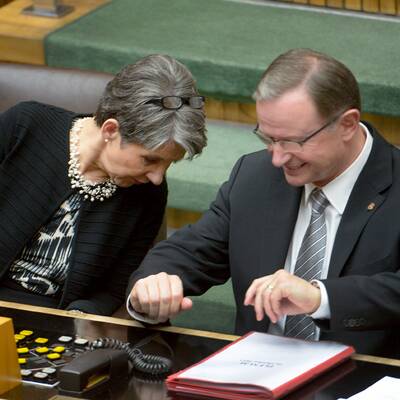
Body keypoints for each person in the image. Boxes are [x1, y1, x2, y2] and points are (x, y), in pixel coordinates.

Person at [127, 48, 400, 357]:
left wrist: (319, 297)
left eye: (293, 142)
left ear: (348, 124)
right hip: (258, 374)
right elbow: (194, 249)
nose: (278, 156)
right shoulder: (255, 175)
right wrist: (152, 284)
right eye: (268, 139)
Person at [0, 54, 207, 315]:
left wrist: (81, 318)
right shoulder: (24, 127)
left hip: (55, 325)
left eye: (168, 165)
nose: (157, 177)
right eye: (149, 160)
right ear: (110, 130)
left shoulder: (149, 193)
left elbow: (116, 288)